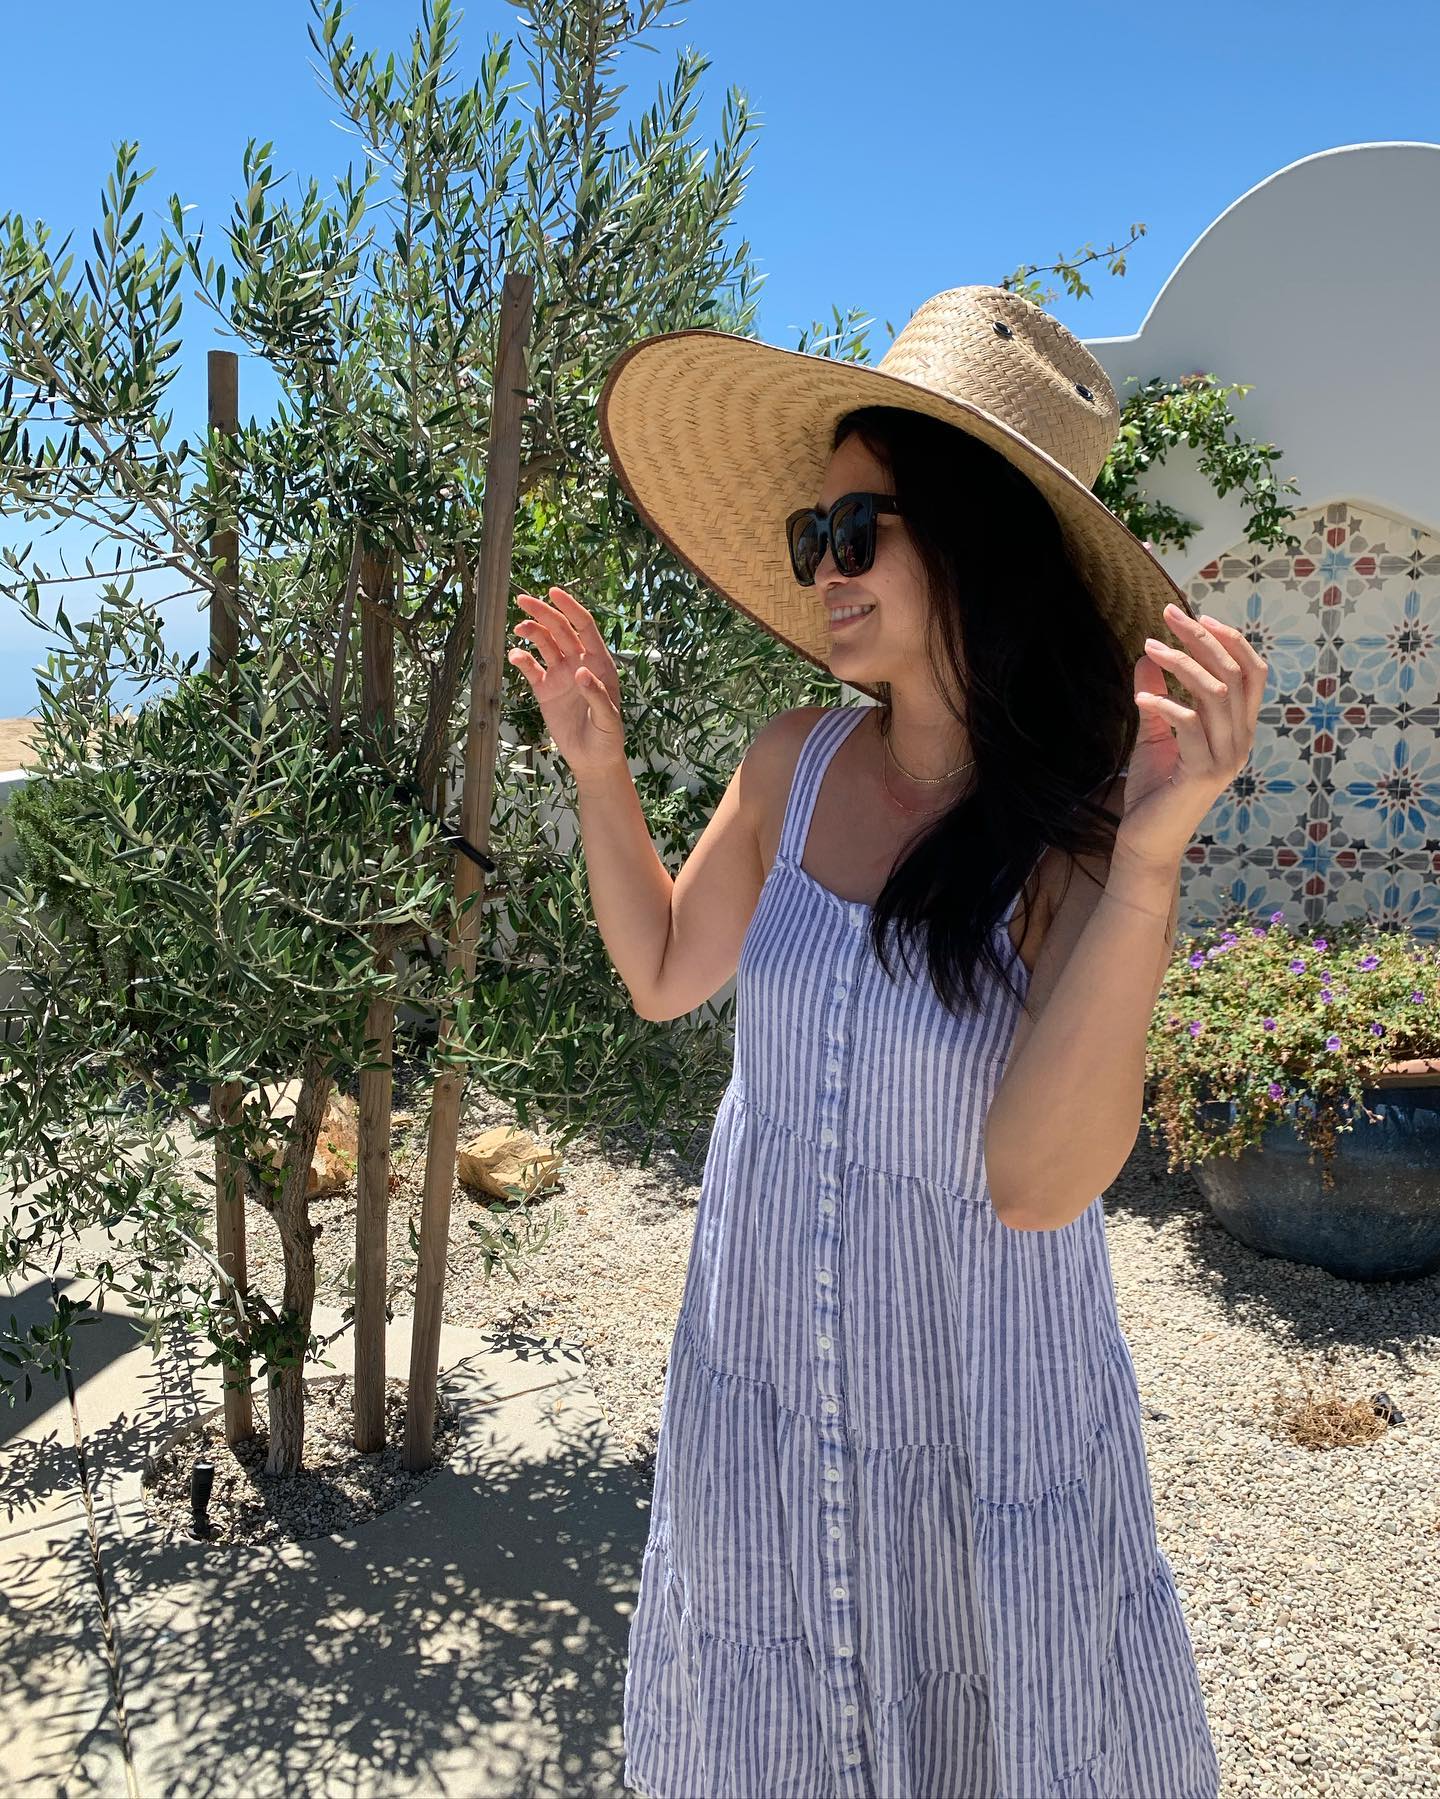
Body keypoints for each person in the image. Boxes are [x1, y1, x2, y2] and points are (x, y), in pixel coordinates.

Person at [506, 285, 1263, 1798]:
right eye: (815, 536)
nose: (824, 569)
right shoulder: (792, 763)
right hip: (765, 1378)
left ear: (973, 541)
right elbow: (663, 969)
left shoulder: (1080, 843)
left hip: (974, 1405)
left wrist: (1151, 862)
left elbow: (1040, 1184)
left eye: (859, 530)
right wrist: (599, 771)